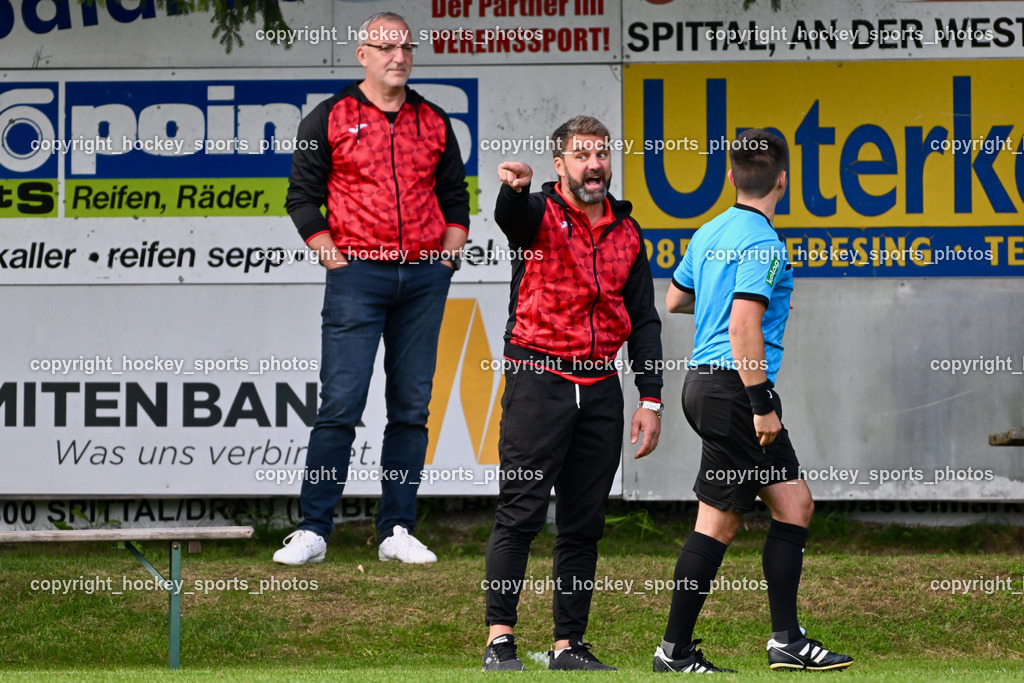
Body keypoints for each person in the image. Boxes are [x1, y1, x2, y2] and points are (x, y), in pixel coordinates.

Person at [273, 11, 470, 566]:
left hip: (424, 277)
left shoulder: (433, 120)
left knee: (411, 407)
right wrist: (332, 254)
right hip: (357, 275)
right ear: (362, 55)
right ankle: (314, 530)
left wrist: (447, 258)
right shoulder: (330, 115)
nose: (397, 57)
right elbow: (301, 197)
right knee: (340, 405)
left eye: (404, 47)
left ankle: (397, 530)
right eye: (384, 48)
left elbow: (456, 198)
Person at [652, 129, 852, 672]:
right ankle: (675, 651)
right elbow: (744, 324)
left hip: (708, 385)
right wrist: (762, 402)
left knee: (794, 505)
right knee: (717, 522)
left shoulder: (711, 229)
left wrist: (719, 302)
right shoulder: (764, 242)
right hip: (736, 392)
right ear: (783, 179)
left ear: (730, 178)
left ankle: (785, 640)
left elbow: (675, 298)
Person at [481, 116, 663, 672]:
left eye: (601, 155)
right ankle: (500, 640)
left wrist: (650, 399)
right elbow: (510, 219)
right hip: (539, 377)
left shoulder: (628, 233)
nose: (594, 165)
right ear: (559, 166)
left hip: (601, 386)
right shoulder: (537, 213)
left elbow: (645, 322)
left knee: (584, 523)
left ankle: (569, 646)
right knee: (521, 513)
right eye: (581, 156)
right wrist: (512, 191)